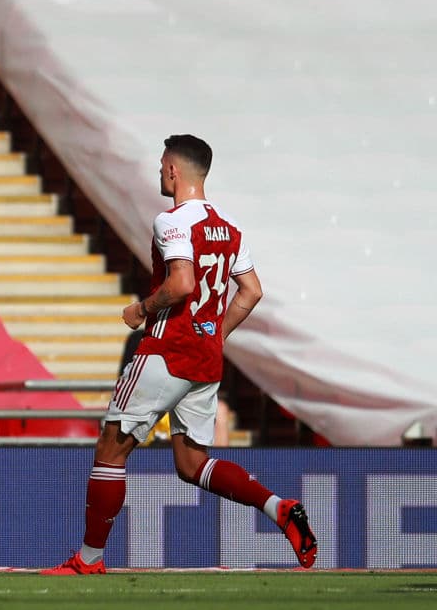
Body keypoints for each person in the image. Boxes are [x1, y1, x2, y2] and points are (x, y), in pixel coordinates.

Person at [41, 134, 317, 575]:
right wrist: (215, 334)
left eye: (162, 164)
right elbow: (251, 291)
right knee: (192, 464)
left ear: (174, 170)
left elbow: (182, 283)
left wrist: (141, 309)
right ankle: (278, 508)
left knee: (110, 452)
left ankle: (89, 560)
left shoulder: (171, 222)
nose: (159, 172)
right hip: (205, 359)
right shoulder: (231, 228)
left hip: (166, 351)